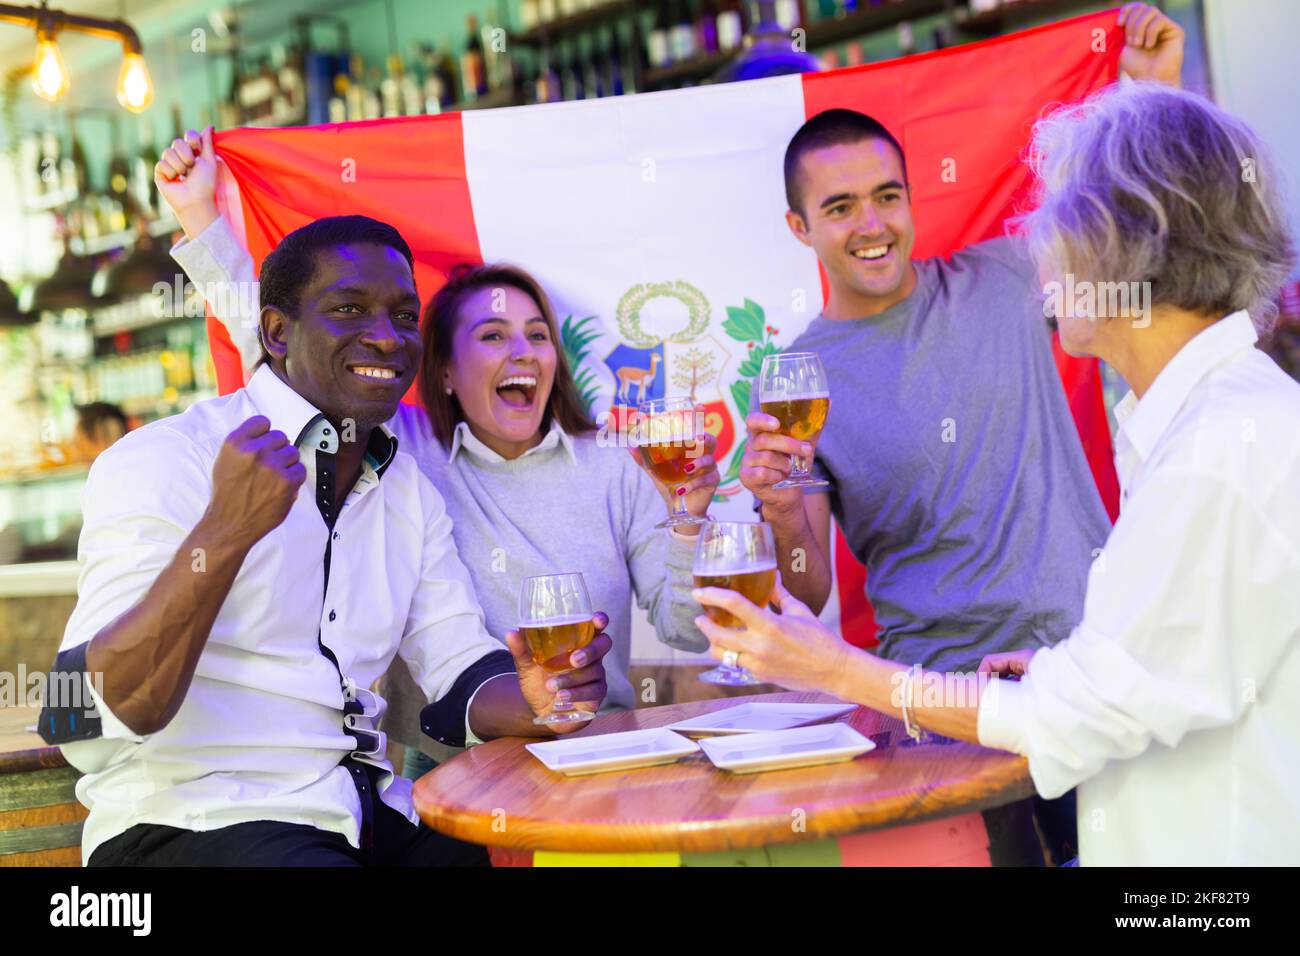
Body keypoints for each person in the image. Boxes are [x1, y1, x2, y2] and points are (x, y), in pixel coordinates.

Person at [695, 80, 1300, 866]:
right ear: (800, 226)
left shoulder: (1214, 450)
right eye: (840, 206)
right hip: (987, 702)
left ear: (1121, 255)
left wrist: (833, 667)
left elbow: (1096, 713)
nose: (1042, 261)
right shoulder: (1207, 424)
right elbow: (1155, 676)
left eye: (1059, 233)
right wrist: (780, 508)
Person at [39, 215, 614, 866]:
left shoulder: (407, 490)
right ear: (277, 332)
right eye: (349, 309)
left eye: (403, 316)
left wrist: (538, 699)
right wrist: (224, 536)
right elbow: (73, 711)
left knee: (540, 856)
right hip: (195, 823)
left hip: (360, 814)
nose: (385, 337)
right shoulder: (166, 460)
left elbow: (457, 669)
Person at [152, 133, 715, 779]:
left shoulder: (616, 465)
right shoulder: (405, 446)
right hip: (456, 769)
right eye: (493, 335)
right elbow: (285, 344)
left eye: (537, 335)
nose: (523, 352)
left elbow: (689, 631)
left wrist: (688, 519)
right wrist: (199, 215)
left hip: (603, 756)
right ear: (444, 371)